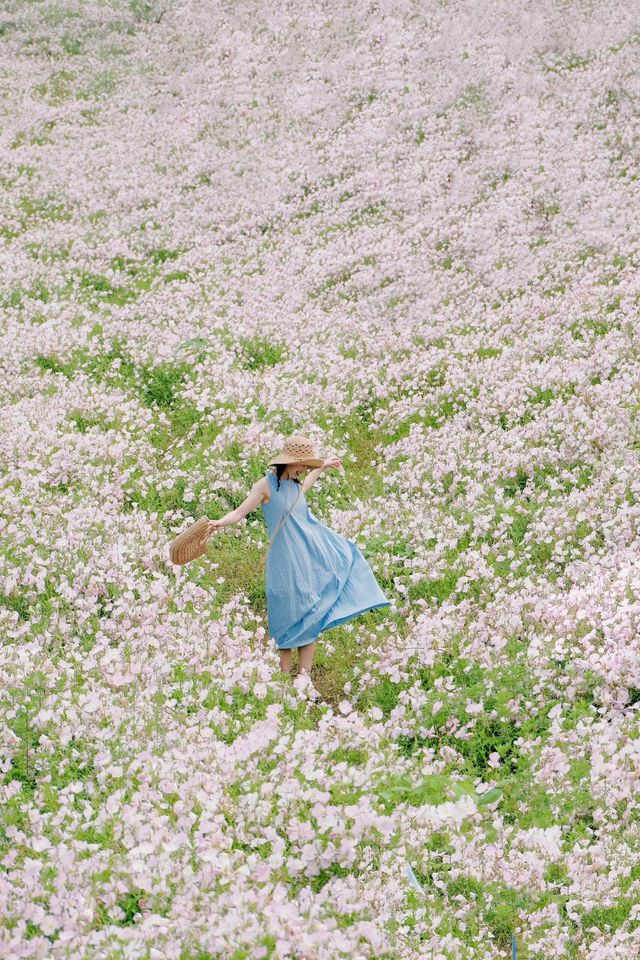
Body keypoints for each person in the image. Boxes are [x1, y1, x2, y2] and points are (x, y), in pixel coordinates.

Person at [202, 434, 391, 700]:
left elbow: (302, 492)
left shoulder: (294, 485)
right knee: (285, 613)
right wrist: (220, 522)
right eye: (303, 465)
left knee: (310, 613)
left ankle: (304, 681)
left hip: (307, 556)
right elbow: (240, 512)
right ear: (289, 462)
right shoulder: (265, 486)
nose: (305, 470)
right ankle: (282, 681)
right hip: (283, 561)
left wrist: (322, 468)